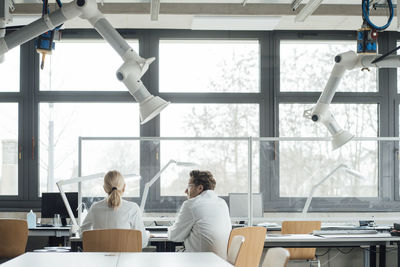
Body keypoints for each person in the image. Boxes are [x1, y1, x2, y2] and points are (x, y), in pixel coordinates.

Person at [168, 170, 232, 259]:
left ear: (200, 188)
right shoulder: (222, 203)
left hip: (200, 262)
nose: (186, 191)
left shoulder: (191, 204)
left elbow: (174, 236)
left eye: (189, 186)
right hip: (222, 262)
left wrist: (170, 228)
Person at [80, 170, 149, 248]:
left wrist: (97, 238)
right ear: (124, 187)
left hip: (99, 259)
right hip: (125, 259)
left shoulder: (95, 208)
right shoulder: (133, 208)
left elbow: (82, 234)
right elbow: (142, 243)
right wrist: (148, 234)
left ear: (104, 189)